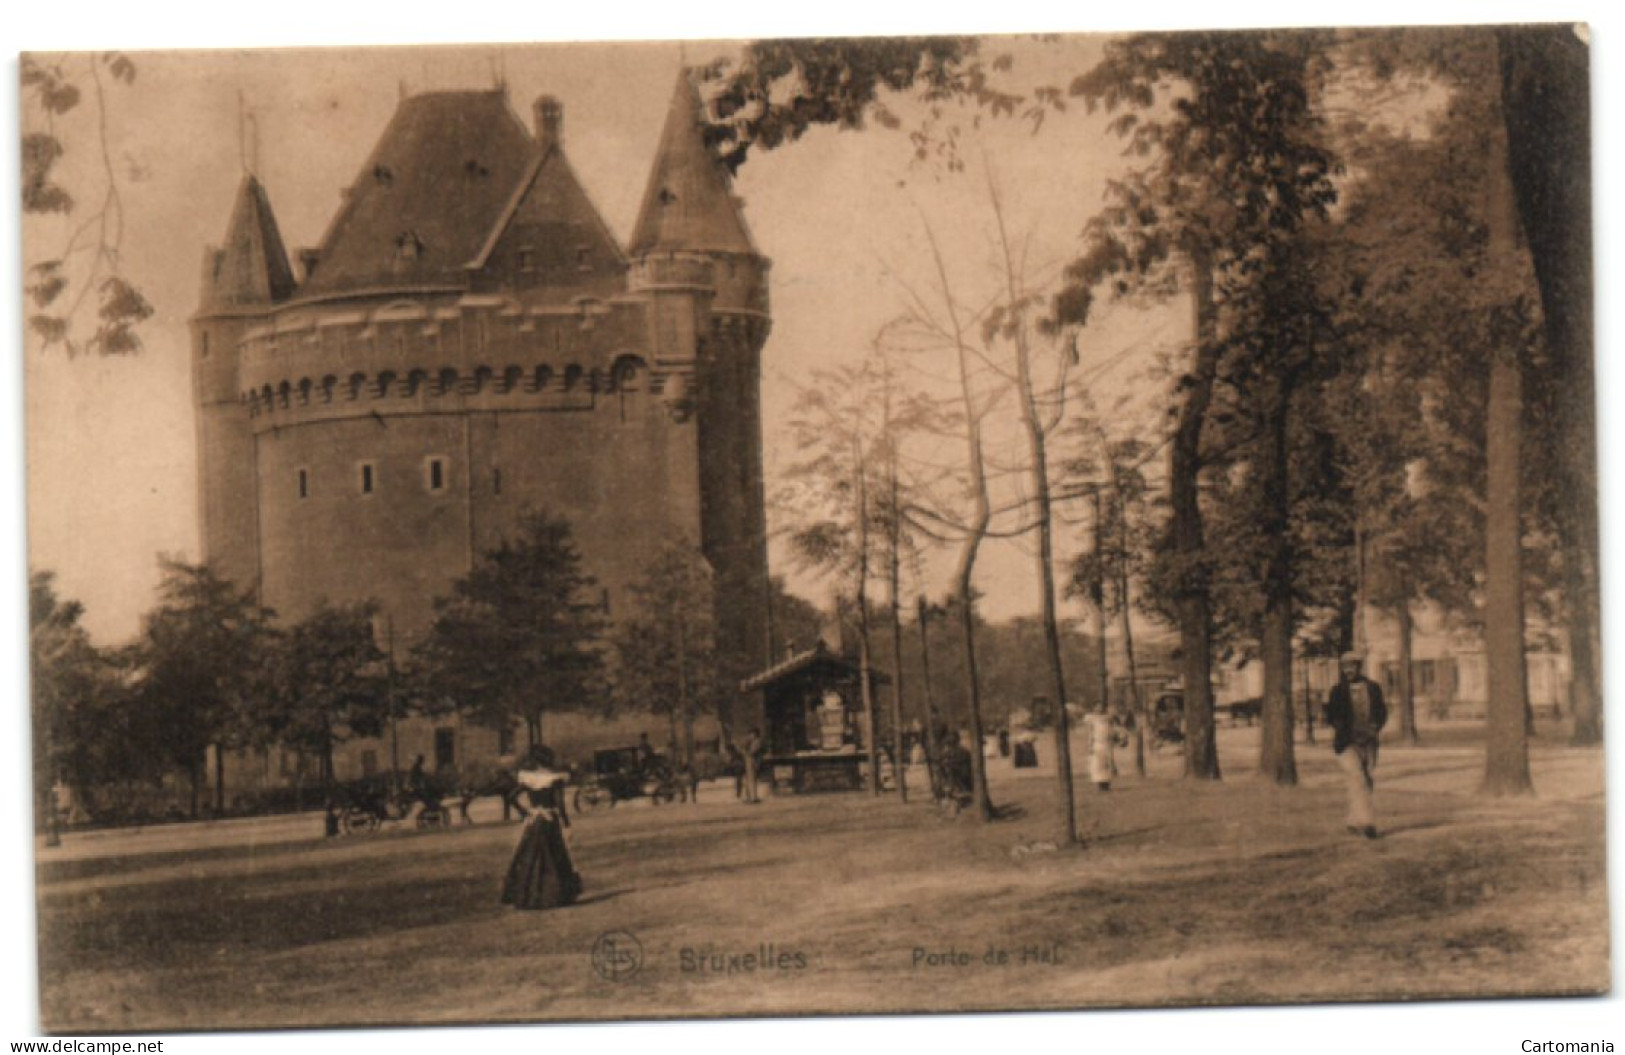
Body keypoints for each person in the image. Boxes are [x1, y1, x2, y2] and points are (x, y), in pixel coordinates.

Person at [501, 745, 583, 910]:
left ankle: (527, 896)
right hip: (549, 821)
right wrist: (566, 824)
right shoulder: (554, 779)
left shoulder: (529, 779)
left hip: (534, 820)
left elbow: (511, 797)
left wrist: (525, 813)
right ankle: (555, 894)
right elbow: (560, 804)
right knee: (553, 855)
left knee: (530, 856)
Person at [1326, 651, 1388, 839]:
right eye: (1345, 667)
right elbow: (1331, 716)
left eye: (1352, 666)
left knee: (1366, 780)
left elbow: (1382, 711)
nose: (1348, 670)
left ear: (1359, 666)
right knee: (1357, 777)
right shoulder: (1337, 691)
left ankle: (1353, 820)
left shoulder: (1373, 688)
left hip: (1369, 742)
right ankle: (1367, 823)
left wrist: (1375, 726)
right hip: (1347, 743)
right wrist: (1342, 727)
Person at [1084, 708, 1115, 791]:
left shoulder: (1107, 721)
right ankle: (1100, 784)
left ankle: (1107, 784)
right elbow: (1090, 734)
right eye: (1096, 708)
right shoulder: (1093, 720)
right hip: (1097, 744)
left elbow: (1111, 732)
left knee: (1107, 764)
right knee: (1098, 764)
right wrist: (1090, 746)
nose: (1098, 710)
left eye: (1100, 709)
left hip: (1106, 744)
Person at [742, 728, 763, 804]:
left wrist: (745, 751)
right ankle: (750, 796)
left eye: (751, 734)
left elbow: (752, 752)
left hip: (753, 762)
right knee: (749, 779)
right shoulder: (752, 742)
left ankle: (753, 797)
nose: (750, 736)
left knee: (752, 779)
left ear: (755, 734)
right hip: (750, 762)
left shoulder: (757, 741)